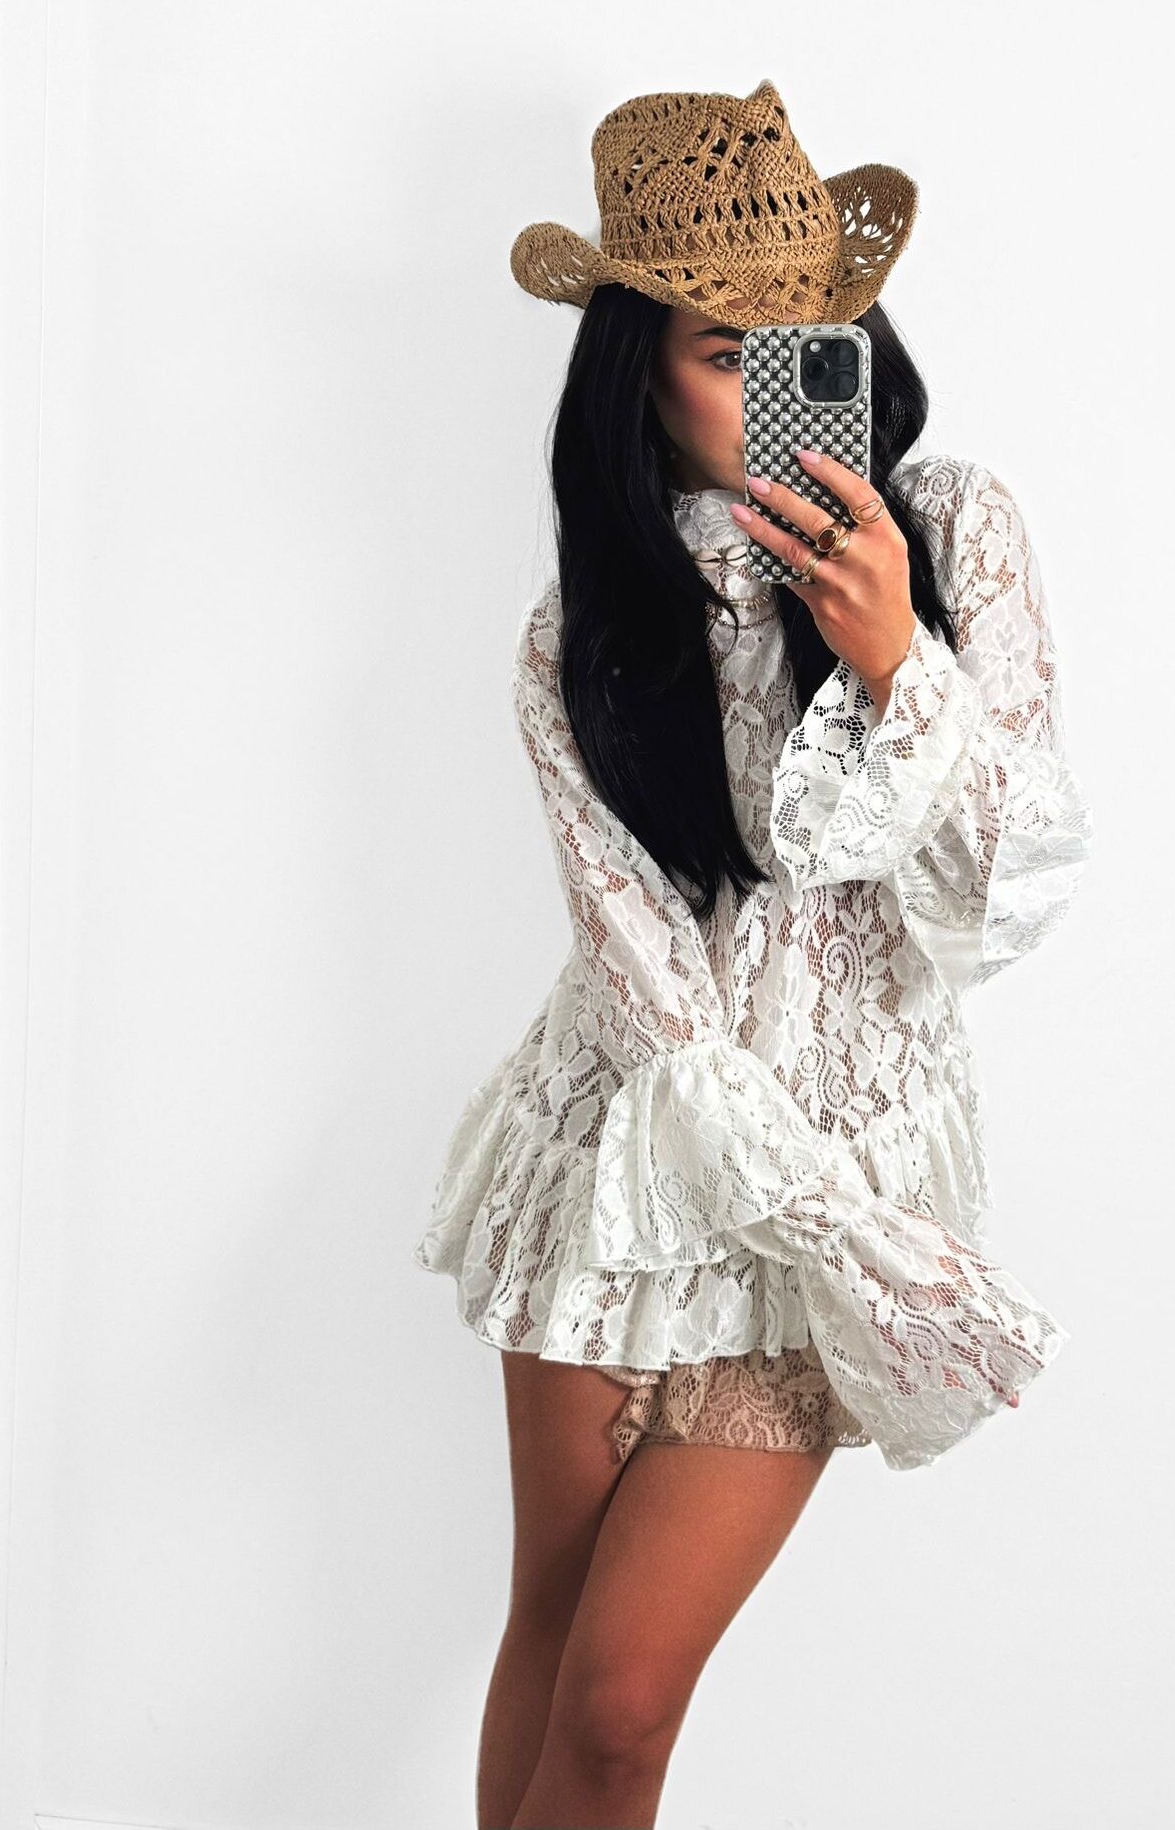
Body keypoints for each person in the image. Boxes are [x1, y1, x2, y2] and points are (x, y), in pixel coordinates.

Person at [413, 76, 1094, 1830]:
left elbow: (997, 902)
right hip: (626, 1148)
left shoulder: (954, 536)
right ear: (635, 373)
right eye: (731, 352)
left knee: (625, 1699)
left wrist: (894, 661)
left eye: (813, 343)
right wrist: (828, 1221)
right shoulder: (577, 633)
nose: (783, 385)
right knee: (559, 1636)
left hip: (832, 1183)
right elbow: (644, 973)